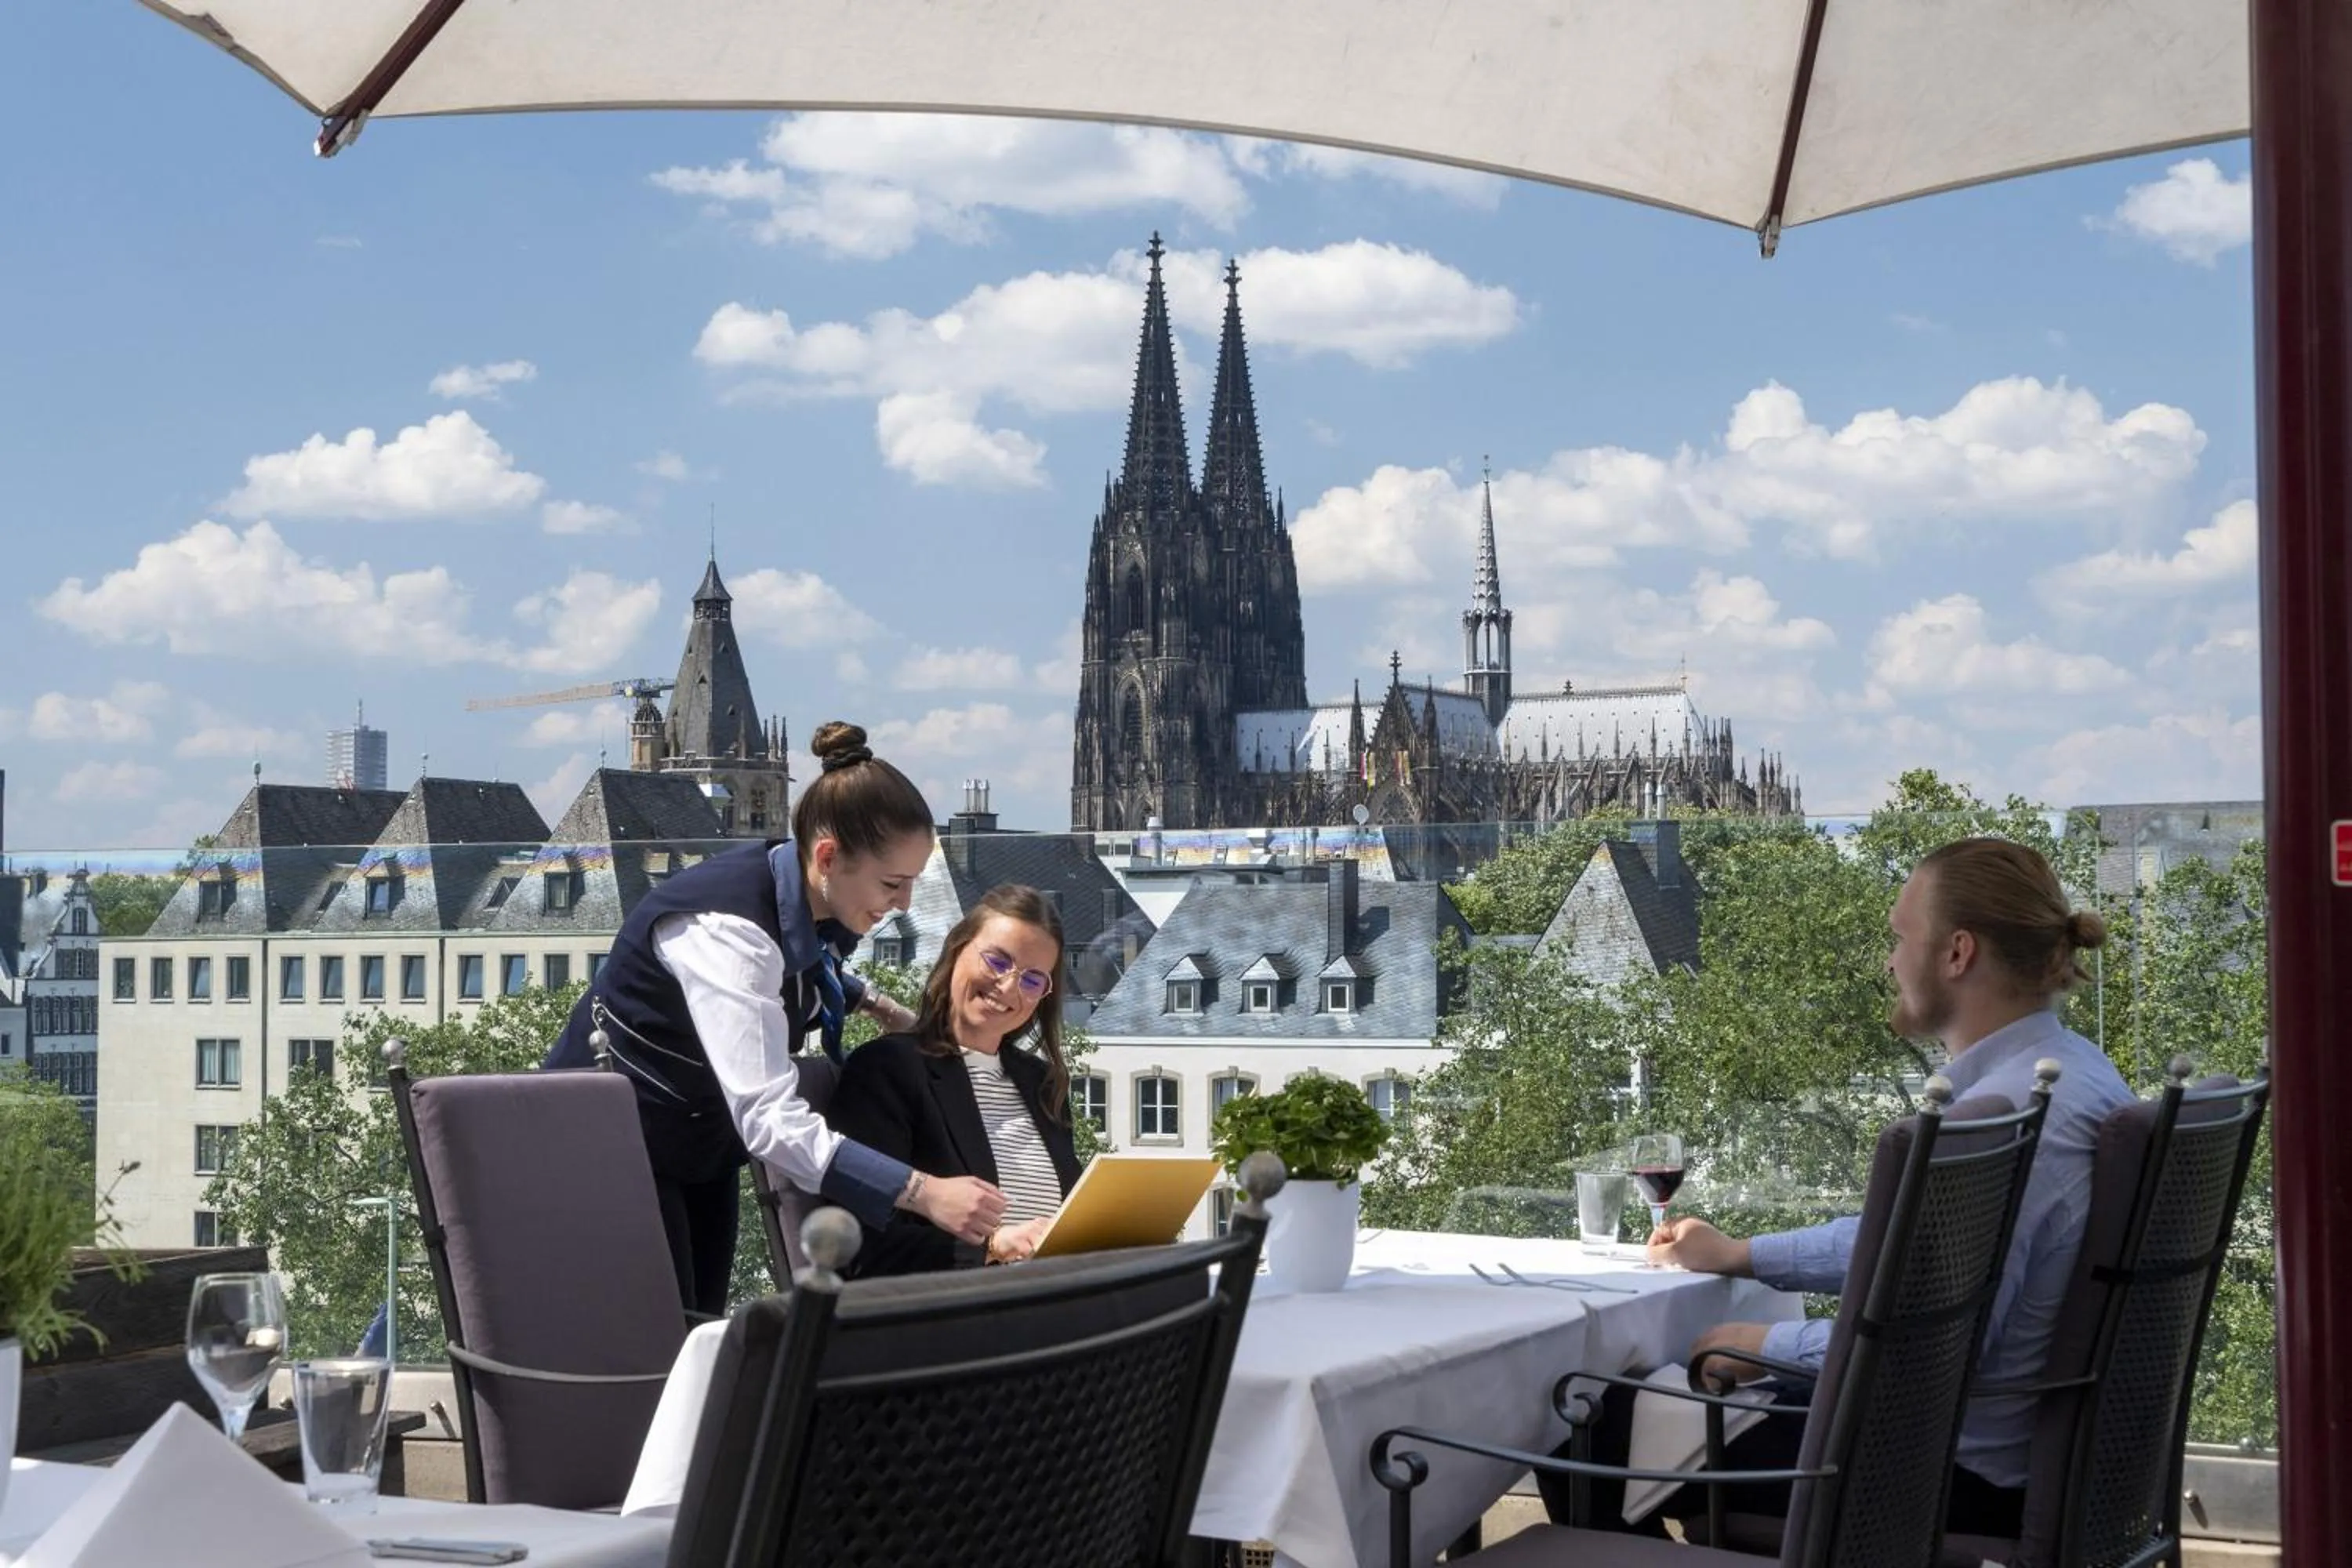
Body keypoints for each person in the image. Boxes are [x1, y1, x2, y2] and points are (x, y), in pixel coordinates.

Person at [1540, 836, 2134, 1539]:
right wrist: (1745, 1254)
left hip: (1931, 1474)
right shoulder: (2072, 1075)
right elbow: (1915, 1251)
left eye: (1899, 937)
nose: (1889, 961)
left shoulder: (1998, 1124)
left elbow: (1935, 1344)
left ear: (1957, 954)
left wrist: (1763, 1342)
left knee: (1576, 1418)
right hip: (2014, 1458)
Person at [545, 720, 1005, 1313]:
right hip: (610, 1152)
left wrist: (882, 1007)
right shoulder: (728, 931)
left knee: (698, 1333)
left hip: (696, 1142)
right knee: (656, 1350)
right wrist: (921, 1192)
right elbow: (767, 1119)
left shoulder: (808, 897)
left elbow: (810, 968)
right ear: (828, 856)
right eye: (893, 882)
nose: (905, 904)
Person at [825, 885, 1082, 1278]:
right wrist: (992, 1248)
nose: (1009, 987)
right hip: (953, 1312)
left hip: (1049, 1301)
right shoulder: (889, 1070)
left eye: (1033, 981)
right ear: (957, 948)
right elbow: (857, 1244)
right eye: (998, 961)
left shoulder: (1042, 1084)